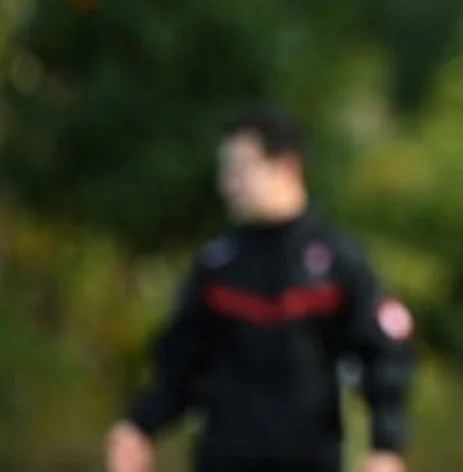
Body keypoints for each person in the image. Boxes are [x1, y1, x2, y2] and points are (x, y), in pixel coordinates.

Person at [105, 106, 414, 472]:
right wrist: (139, 426)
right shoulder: (219, 266)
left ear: (285, 168)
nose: (227, 185)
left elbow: (384, 356)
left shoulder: (336, 261)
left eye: (240, 170)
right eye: (225, 172)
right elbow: (180, 366)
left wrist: (385, 446)